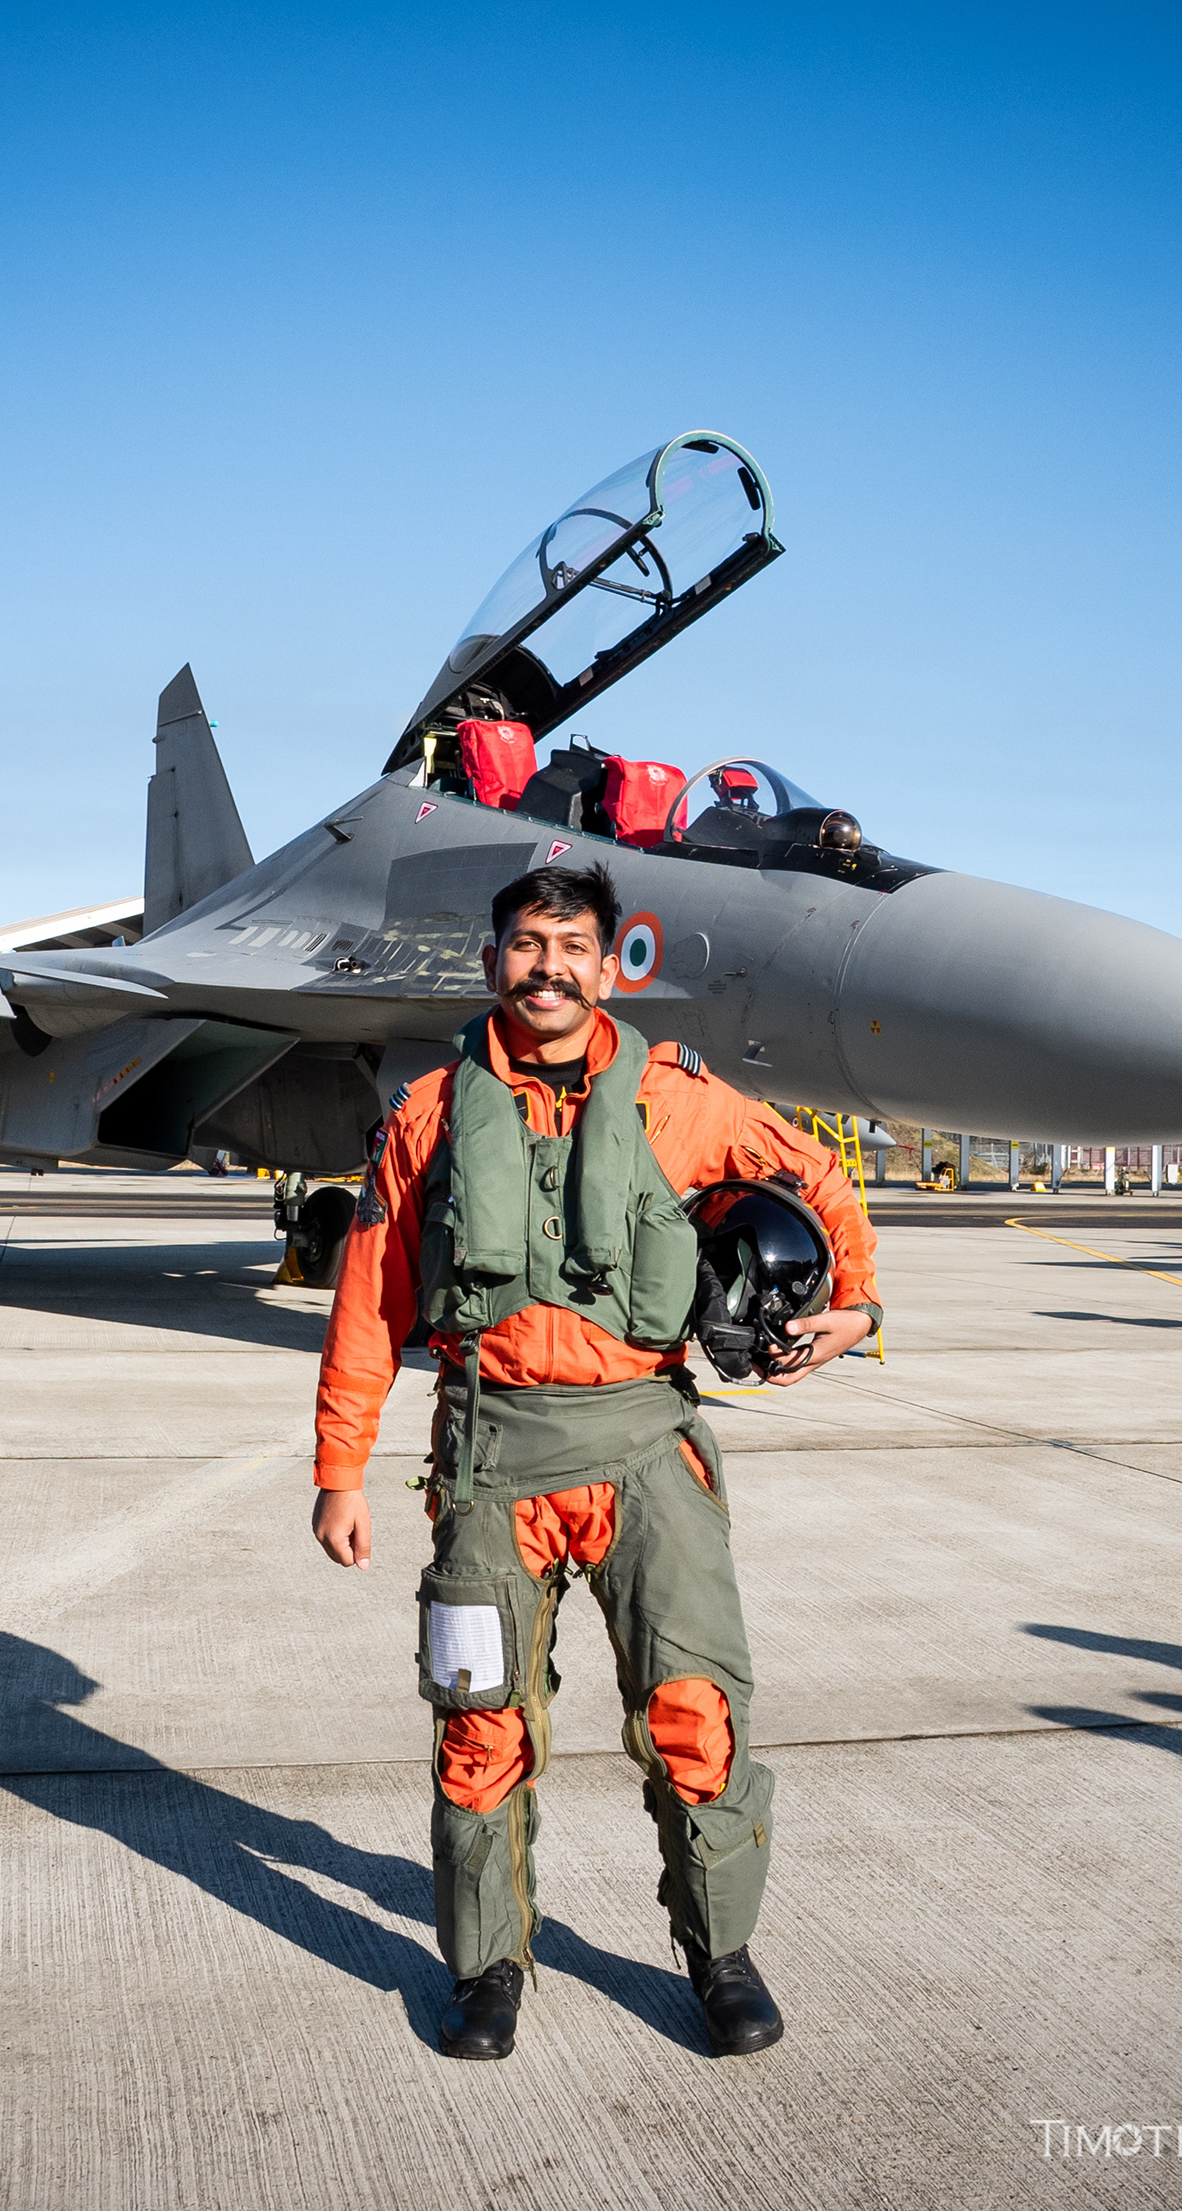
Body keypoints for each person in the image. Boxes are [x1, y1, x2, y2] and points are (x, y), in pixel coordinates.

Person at [312, 860, 879, 2061]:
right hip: (490, 1455)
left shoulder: (683, 1101)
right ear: (493, 962)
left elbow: (821, 1178)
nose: (548, 966)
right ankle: (487, 1970)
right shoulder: (428, 1114)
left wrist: (858, 1309)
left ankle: (718, 1954)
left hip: (643, 1446)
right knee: (481, 1724)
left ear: (610, 965)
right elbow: (369, 1299)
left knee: (694, 1710)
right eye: (527, 944)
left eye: (572, 946)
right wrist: (340, 1469)